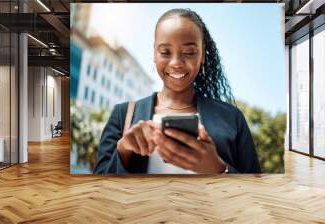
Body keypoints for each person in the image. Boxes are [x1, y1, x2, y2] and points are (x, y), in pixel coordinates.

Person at [93, 8, 261, 174]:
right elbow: (97, 192)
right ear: (154, 54)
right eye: (165, 52)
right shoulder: (123, 114)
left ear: (202, 55)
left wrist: (219, 169)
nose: (176, 63)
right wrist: (123, 150)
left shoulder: (232, 118)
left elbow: (256, 192)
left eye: (189, 52)